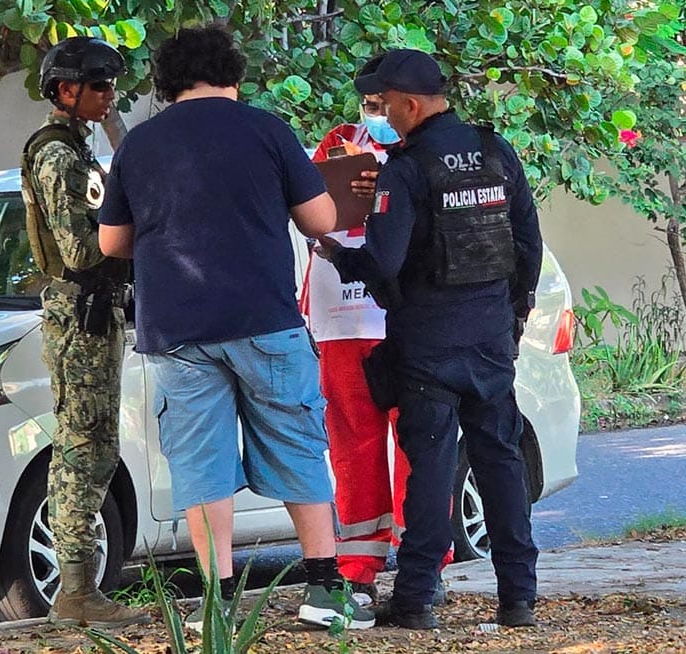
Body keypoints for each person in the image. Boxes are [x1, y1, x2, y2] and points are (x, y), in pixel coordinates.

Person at [96, 26, 374, 633]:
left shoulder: (138, 146)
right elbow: (319, 219)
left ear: (166, 83)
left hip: (177, 331)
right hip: (264, 320)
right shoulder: (268, 131)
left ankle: (217, 604)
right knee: (298, 443)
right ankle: (324, 590)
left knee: (202, 462)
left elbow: (111, 242)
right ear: (234, 77)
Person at [315, 49, 543, 630]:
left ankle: (415, 600)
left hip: (428, 346)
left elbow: (385, 262)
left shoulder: (406, 169)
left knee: (431, 470)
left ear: (410, 104)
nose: (378, 113)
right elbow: (528, 247)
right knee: (500, 464)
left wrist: (338, 253)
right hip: (491, 341)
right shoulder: (497, 152)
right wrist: (510, 318)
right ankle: (519, 596)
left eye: (382, 103)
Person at [303, 55, 452, 605]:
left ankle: (424, 561)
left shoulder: (425, 154)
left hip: (407, 315)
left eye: (383, 102)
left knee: (419, 442)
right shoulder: (338, 141)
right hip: (341, 316)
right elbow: (312, 209)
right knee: (352, 440)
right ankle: (358, 563)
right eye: (370, 103)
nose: (376, 113)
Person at [20, 36, 147, 628]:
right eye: (98, 85)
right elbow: (79, 247)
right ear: (65, 90)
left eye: (110, 84)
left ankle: (80, 588)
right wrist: (134, 218)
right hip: (83, 316)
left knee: (94, 447)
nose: (108, 94)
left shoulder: (74, 150)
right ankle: (74, 589)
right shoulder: (59, 156)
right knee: (83, 450)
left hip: (95, 313)